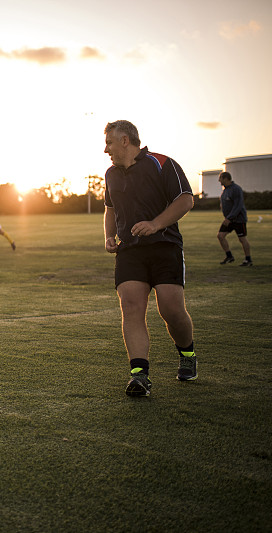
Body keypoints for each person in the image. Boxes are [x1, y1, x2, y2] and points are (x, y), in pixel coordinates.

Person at [102, 120, 197, 397]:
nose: (105, 149)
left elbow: (185, 200)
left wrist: (155, 224)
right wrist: (109, 235)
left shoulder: (162, 163)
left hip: (165, 246)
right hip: (130, 250)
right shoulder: (110, 174)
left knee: (170, 309)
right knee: (131, 307)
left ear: (125, 140)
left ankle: (187, 353)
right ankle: (139, 374)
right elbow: (110, 209)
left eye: (109, 142)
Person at [217, 171, 252, 266]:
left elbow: (238, 205)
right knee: (220, 236)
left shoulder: (236, 189)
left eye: (220, 178)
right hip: (229, 219)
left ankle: (248, 260)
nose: (219, 180)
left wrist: (230, 218)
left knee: (242, 239)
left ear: (225, 178)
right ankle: (229, 256)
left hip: (238, 219)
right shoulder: (225, 190)